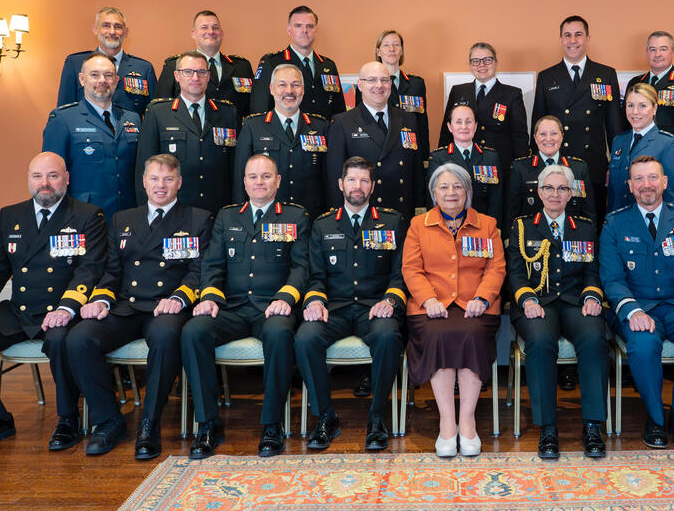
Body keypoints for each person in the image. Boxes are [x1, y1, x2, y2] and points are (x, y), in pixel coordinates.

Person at [0, 152, 107, 453]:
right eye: (37, 176)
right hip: (21, 310)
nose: (45, 183)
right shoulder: (10, 216)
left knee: (61, 342)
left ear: (66, 179)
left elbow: (90, 269)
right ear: (28, 180)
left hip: (64, 311)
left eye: (53, 176)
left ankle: (67, 418)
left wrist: (65, 308)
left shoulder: (87, 215)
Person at [66, 153, 212, 458]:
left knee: (164, 337)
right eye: (155, 179)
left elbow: (200, 271)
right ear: (144, 182)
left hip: (168, 306)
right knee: (79, 338)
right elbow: (111, 272)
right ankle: (108, 421)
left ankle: (150, 422)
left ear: (179, 183)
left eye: (168, 179)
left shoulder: (197, 219)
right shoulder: (122, 219)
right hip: (126, 306)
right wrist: (100, 299)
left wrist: (178, 298)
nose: (161, 186)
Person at [181, 154, 310, 459]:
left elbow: (302, 267)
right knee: (193, 331)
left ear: (278, 182)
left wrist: (286, 297)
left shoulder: (295, 216)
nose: (259, 182)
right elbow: (212, 264)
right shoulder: (227, 217)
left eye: (266, 176)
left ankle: (271, 425)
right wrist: (210, 297)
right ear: (244, 182)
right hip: (233, 308)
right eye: (253, 176)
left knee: (280, 335)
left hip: (273, 307)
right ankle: (208, 424)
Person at [599, 156, 674, 450]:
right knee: (642, 345)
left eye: (653, 178)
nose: (646, 185)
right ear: (629, 186)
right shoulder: (615, 223)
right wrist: (632, 310)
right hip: (638, 307)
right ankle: (654, 417)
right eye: (639, 179)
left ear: (664, 182)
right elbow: (612, 278)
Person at [295, 157, 408, 452]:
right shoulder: (322, 225)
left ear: (372, 186)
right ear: (341, 184)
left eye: (364, 181)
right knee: (305, 338)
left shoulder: (393, 222)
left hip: (375, 306)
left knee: (388, 337)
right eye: (352, 180)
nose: (357, 186)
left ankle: (376, 418)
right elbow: (315, 276)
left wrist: (391, 299)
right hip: (336, 308)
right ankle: (325, 417)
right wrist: (315, 301)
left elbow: (400, 274)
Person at [402, 164, 506, 458]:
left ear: (468, 192)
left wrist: (483, 298)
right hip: (431, 308)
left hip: (476, 307)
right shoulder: (417, 225)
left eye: (458, 186)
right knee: (438, 335)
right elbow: (411, 269)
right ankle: (447, 422)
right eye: (444, 187)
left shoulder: (487, 225)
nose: (451, 193)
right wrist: (427, 299)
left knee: (471, 332)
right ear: (434, 192)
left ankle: (467, 420)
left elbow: (496, 268)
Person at [507, 162, 609, 459]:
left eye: (562, 188)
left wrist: (592, 296)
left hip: (576, 301)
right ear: (539, 192)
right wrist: (526, 300)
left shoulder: (586, 226)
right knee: (540, 342)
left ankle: (592, 425)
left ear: (570, 193)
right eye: (549, 188)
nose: (555, 194)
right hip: (538, 302)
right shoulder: (522, 226)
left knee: (594, 338)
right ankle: (547, 427)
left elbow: (593, 271)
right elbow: (515, 272)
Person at [532, 15, 624, 222]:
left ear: (588, 38)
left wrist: (614, 165)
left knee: (593, 221)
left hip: (594, 164)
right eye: (567, 35)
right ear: (561, 39)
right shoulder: (547, 76)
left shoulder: (606, 74)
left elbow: (614, 126)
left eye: (578, 35)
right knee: (558, 220)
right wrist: (536, 165)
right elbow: (537, 126)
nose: (572, 40)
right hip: (556, 165)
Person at [135, 51, 237, 214]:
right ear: (177, 75)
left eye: (201, 72)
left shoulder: (227, 113)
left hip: (217, 210)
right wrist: (146, 213)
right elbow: (144, 167)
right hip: (174, 210)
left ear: (208, 76)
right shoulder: (158, 113)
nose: (195, 78)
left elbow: (235, 168)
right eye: (188, 72)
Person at [42, 52, 141, 220]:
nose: (102, 80)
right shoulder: (63, 119)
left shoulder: (133, 118)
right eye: (94, 75)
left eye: (108, 75)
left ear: (116, 81)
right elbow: (51, 175)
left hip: (128, 215)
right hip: (83, 217)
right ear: (82, 79)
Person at [326, 61, 424, 220]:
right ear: (360, 85)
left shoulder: (408, 119)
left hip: (402, 213)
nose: (379, 85)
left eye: (384, 80)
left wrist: (419, 210)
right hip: (364, 213)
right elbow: (335, 177)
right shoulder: (343, 123)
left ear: (390, 84)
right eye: (371, 80)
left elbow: (416, 171)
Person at [234, 63, 330, 217]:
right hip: (267, 218)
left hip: (311, 216)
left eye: (296, 85)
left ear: (303, 90)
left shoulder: (321, 127)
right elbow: (240, 177)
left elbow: (328, 178)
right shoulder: (253, 126)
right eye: (282, 85)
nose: (289, 91)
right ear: (272, 89)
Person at [440, 42, 528, 183]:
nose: (482, 65)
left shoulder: (512, 94)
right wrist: (443, 162)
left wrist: (520, 172)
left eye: (487, 60)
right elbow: (446, 132)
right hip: (462, 168)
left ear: (495, 62)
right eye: (475, 61)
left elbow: (520, 138)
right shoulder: (458, 91)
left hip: (498, 169)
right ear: (470, 65)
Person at [56, 7, 157, 116]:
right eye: (106, 26)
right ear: (95, 29)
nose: (112, 32)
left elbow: (154, 116)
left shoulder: (144, 68)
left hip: (128, 131)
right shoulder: (75, 64)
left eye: (118, 27)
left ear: (126, 32)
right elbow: (64, 111)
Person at [250, 6, 344, 119]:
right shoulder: (272, 62)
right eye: (298, 26)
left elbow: (339, 111)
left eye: (310, 26)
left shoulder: (328, 65)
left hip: (323, 134)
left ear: (316, 31)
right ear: (289, 31)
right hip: (287, 133)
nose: (304, 31)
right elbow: (260, 106)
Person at [155, 10, 254, 116]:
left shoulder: (243, 67)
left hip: (233, 131)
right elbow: (162, 110)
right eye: (204, 27)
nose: (211, 31)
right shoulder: (174, 65)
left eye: (215, 27)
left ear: (222, 33)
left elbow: (252, 109)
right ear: (193, 34)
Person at [504, 115, 595, 227]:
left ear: (562, 137)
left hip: (570, 237)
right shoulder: (520, 168)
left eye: (554, 134)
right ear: (535, 138)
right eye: (542, 134)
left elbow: (588, 212)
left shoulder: (579, 168)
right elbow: (511, 212)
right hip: (532, 236)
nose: (548, 139)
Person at [607, 84, 674, 211]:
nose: (635, 112)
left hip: (650, 223)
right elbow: (613, 193)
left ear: (655, 108)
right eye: (630, 105)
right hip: (619, 223)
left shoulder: (668, 144)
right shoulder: (619, 141)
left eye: (642, 106)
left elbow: (673, 196)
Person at [428, 104, 503, 219]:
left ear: (475, 126)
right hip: (449, 224)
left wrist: (494, 226)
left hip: (482, 224)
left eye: (469, 122)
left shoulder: (490, 157)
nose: (464, 127)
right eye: (458, 122)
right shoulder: (438, 158)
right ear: (449, 127)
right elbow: (434, 198)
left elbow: (496, 199)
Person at [624, 31, 674, 135]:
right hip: (639, 148)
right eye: (653, 49)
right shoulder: (635, 83)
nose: (657, 54)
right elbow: (625, 124)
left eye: (663, 49)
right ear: (647, 52)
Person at [376, 30, 430, 171]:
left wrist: (424, 159)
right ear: (378, 52)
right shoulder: (370, 85)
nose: (392, 49)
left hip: (410, 153)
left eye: (396, 45)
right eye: (386, 45)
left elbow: (422, 124)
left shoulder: (416, 84)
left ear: (402, 51)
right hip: (380, 153)